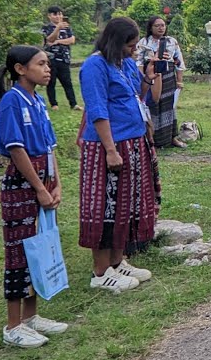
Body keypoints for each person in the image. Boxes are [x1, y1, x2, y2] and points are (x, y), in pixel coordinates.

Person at [0, 46, 69, 348]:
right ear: (20, 69)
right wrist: (38, 187)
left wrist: (57, 184)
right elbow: (16, 148)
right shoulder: (13, 101)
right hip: (23, 186)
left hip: (44, 180)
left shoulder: (38, 101)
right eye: (41, 64)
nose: (48, 69)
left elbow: (50, 147)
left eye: (49, 63)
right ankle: (13, 326)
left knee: (38, 247)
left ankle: (31, 317)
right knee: (19, 251)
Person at [78, 17, 159, 291]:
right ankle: (100, 272)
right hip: (108, 146)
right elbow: (98, 109)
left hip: (132, 142)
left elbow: (137, 96)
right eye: (131, 45)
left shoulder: (124, 63)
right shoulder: (94, 66)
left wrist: (148, 76)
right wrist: (110, 150)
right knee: (106, 206)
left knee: (126, 205)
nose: (134, 50)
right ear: (116, 42)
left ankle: (117, 260)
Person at [136, 16, 186, 149]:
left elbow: (179, 62)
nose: (161, 28)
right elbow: (139, 62)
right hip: (151, 75)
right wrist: (143, 79)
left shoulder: (171, 41)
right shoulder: (144, 42)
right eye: (157, 25)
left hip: (168, 76)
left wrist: (179, 81)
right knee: (152, 106)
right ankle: (153, 139)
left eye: (163, 25)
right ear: (150, 28)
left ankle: (171, 137)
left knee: (169, 106)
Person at [42, 6, 79, 110]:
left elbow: (72, 40)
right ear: (49, 16)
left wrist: (58, 41)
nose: (58, 16)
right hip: (51, 59)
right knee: (51, 82)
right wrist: (57, 28)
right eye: (55, 14)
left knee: (67, 82)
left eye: (60, 14)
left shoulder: (67, 27)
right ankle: (54, 104)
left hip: (64, 58)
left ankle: (73, 104)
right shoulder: (46, 27)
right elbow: (49, 40)